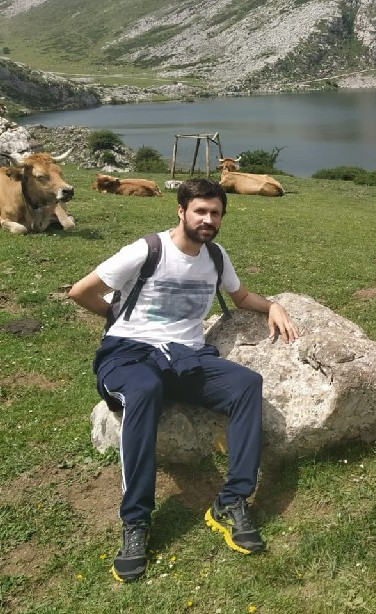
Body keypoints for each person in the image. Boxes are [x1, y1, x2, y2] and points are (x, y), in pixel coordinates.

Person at [69, 178, 299, 583]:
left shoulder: (216, 256)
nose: (208, 219)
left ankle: (231, 501)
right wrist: (120, 323)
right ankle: (136, 520)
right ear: (181, 211)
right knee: (144, 390)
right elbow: (81, 291)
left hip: (185, 358)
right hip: (128, 354)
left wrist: (273, 306)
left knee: (247, 384)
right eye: (200, 211)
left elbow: (241, 297)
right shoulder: (147, 250)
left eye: (215, 213)